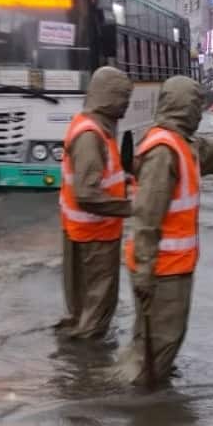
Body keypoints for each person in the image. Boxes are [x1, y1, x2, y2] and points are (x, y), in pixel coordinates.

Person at [121, 76, 213, 387]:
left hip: (172, 268)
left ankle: (144, 391)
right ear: (183, 107)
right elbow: (147, 219)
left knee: (159, 342)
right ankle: (139, 407)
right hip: (160, 270)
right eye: (196, 106)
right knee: (158, 346)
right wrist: (145, 274)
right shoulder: (163, 150)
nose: (200, 113)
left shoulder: (183, 144)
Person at [56, 67, 134, 340]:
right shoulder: (91, 135)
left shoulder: (94, 129)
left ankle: (77, 359)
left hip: (86, 234)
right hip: (95, 238)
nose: (127, 103)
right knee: (96, 312)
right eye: (123, 96)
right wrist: (131, 207)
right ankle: (87, 370)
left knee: (84, 309)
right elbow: (87, 194)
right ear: (107, 96)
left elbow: (99, 179)